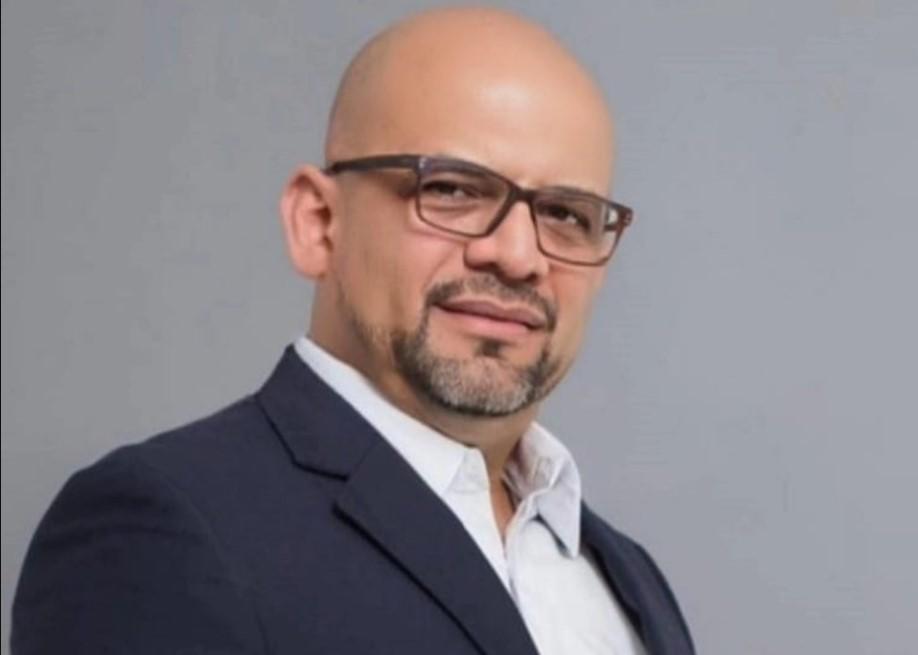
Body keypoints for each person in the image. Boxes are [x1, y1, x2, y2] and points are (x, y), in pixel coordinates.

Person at [12, 7, 694, 654]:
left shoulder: (624, 576)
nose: (518, 256)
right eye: (453, 189)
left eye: (567, 215)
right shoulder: (165, 527)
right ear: (318, 223)